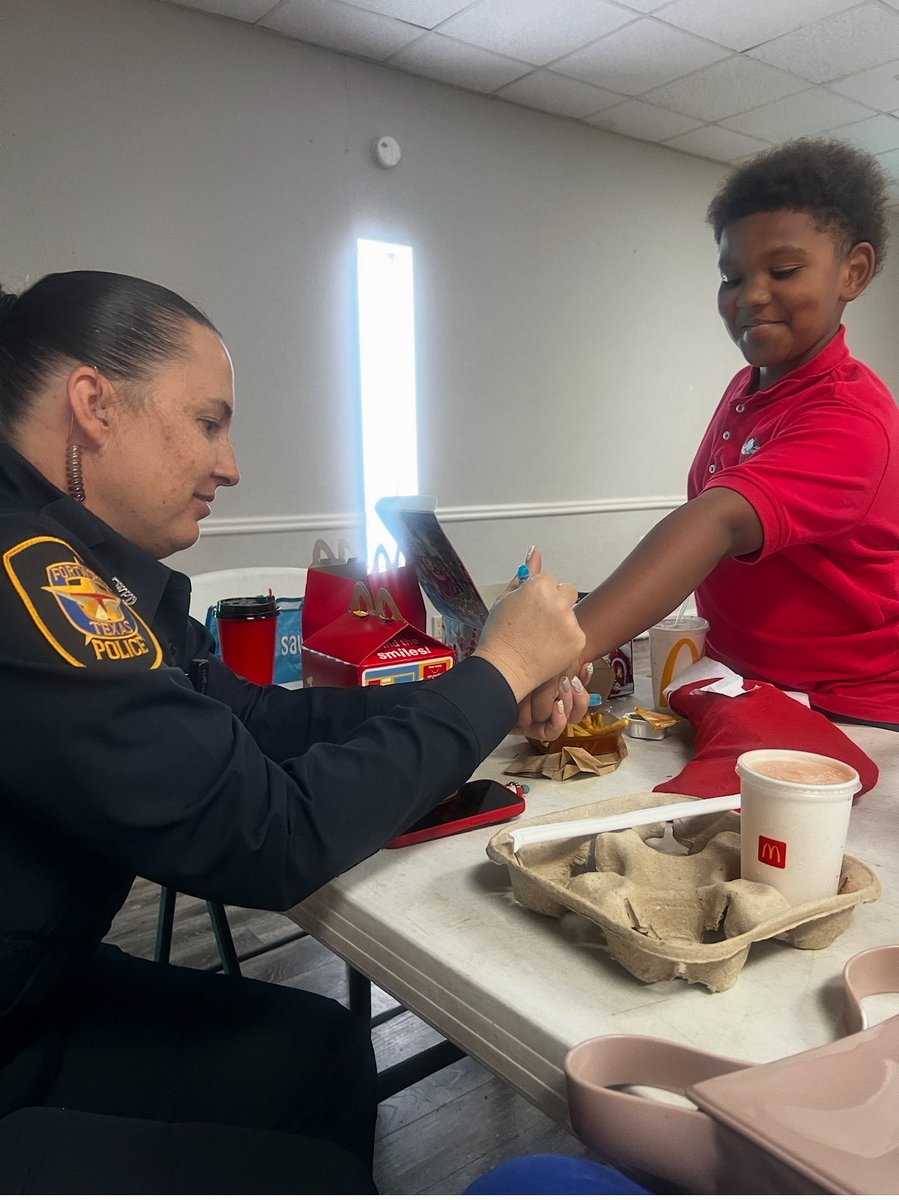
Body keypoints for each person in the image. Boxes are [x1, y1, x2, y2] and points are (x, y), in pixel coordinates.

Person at [0, 269, 588, 1192]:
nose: (230, 464)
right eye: (208, 421)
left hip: (38, 986)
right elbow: (269, 834)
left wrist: (484, 700)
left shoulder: (81, 558)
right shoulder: (26, 575)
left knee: (321, 1052)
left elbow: (256, 717)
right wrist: (498, 670)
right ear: (93, 405)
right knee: (300, 1168)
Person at [541, 137, 899, 729]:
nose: (751, 295)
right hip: (748, 685)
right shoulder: (745, 387)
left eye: (782, 270)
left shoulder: (850, 415)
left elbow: (716, 521)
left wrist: (557, 648)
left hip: (846, 710)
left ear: (852, 272)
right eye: (732, 276)